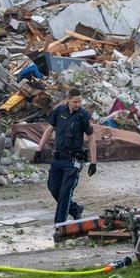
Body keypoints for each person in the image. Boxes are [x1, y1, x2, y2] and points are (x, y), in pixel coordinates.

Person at [37, 87, 97, 225]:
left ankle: (60, 226)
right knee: (53, 187)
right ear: (68, 100)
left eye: (79, 102)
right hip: (58, 158)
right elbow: (49, 130)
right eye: (75, 102)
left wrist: (93, 162)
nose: (78, 104)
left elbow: (91, 139)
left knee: (65, 193)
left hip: (73, 161)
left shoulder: (83, 116)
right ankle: (75, 209)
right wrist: (39, 150)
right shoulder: (59, 112)